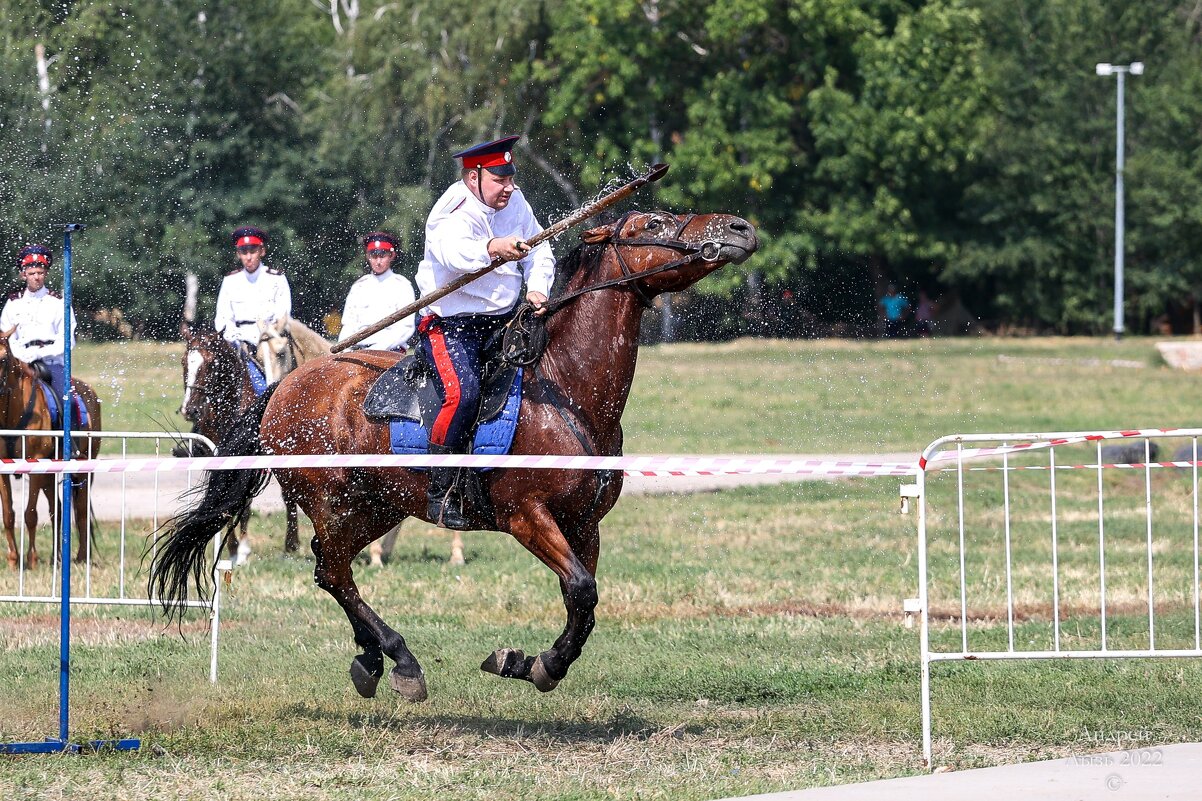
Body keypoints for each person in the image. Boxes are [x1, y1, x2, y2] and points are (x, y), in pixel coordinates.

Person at [415, 134, 555, 529]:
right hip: (449, 325)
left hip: (503, 319)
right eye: (499, 180)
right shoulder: (451, 210)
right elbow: (453, 255)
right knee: (464, 393)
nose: (508, 187)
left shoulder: (516, 200)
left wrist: (537, 287)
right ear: (472, 176)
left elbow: (540, 247)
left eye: (511, 178)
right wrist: (494, 246)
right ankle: (440, 494)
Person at [0, 244, 77, 406]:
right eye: (32, 273)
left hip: (51, 364)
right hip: (19, 363)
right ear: (23, 275)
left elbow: (67, 340)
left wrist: (38, 354)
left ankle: (70, 430)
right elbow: (7, 338)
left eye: (40, 273)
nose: (36, 277)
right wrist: (22, 356)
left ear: (46, 274)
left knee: (66, 400)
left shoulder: (59, 303)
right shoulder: (13, 303)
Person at [213, 226, 291, 359]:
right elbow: (223, 319)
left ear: (262, 251)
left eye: (253, 251)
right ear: (238, 254)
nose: (248, 257)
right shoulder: (230, 281)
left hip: (269, 340)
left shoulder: (276, 279)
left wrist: (267, 335)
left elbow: (283, 316)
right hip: (237, 341)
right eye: (244, 252)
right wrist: (234, 339)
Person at [338, 231, 416, 353]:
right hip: (358, 350)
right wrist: (344, 349)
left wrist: (377, 349)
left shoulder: (402, 286)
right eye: (374, 256)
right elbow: (348, 324)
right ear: (368, 256)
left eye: (382, 255)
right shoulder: (359, 287)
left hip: (390, 352)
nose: (378, 261)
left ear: (392, 255)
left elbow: (405, 327)